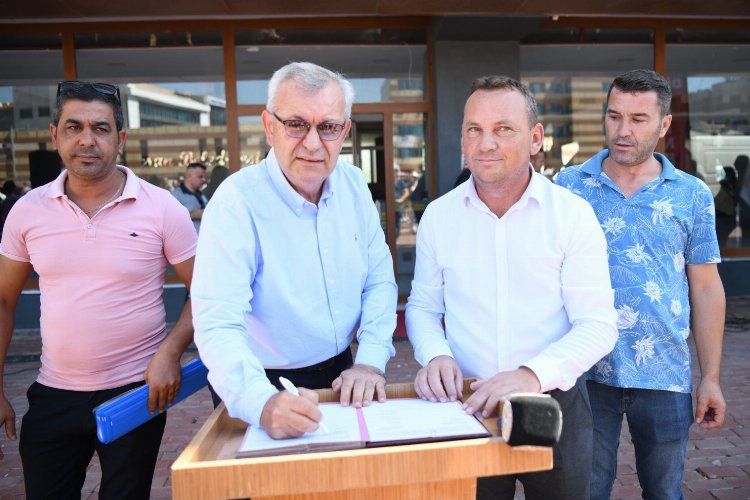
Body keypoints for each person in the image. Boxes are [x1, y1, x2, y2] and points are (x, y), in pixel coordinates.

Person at [406, 75, 618, 500]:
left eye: (503, 129)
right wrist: (435, 354)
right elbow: (423, 307)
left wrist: (529, 375)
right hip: (468, 404)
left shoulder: (572, 216)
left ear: (536, 138)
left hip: (551, 403)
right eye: (474, 129)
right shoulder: (439, 217)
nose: (486, 143)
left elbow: (598, 325)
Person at [0, 80, 198, 499]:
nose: (87, 140)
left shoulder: (163, 208)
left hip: (135, 394)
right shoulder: (27, 211)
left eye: (100, 128)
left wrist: (170, 352)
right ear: (55, 135)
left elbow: (207, 291)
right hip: (53, 393)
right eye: (73, 127)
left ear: (120, 139)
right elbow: (3, 299)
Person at [191, 62, 397, 439]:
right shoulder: (237, 203)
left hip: (345, 373)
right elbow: (218, 321)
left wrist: (370, 361)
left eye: (328, 127)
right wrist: (259, 401)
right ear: (270, 127)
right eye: (297, 124)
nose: (313, 143)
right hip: (260, 382)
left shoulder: (354, 186)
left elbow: (379, 281)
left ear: (344, 131)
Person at [555, 69, 727, 500]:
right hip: (584, 371)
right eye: (614, 116)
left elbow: (706, 288)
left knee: (664, 492)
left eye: (638, 119)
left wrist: (710, 378)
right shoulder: (568, 187)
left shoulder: (691, 194)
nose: (623, 130)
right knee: (585, 491)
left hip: (664, 373)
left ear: (664, 124)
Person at [172, 161, 208, 233]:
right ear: (189, 176)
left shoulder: (201, 195)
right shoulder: (176, 196)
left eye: (204, 177)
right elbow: (170, 220)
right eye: (200, 176)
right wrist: (192, 215)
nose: (203, 179)